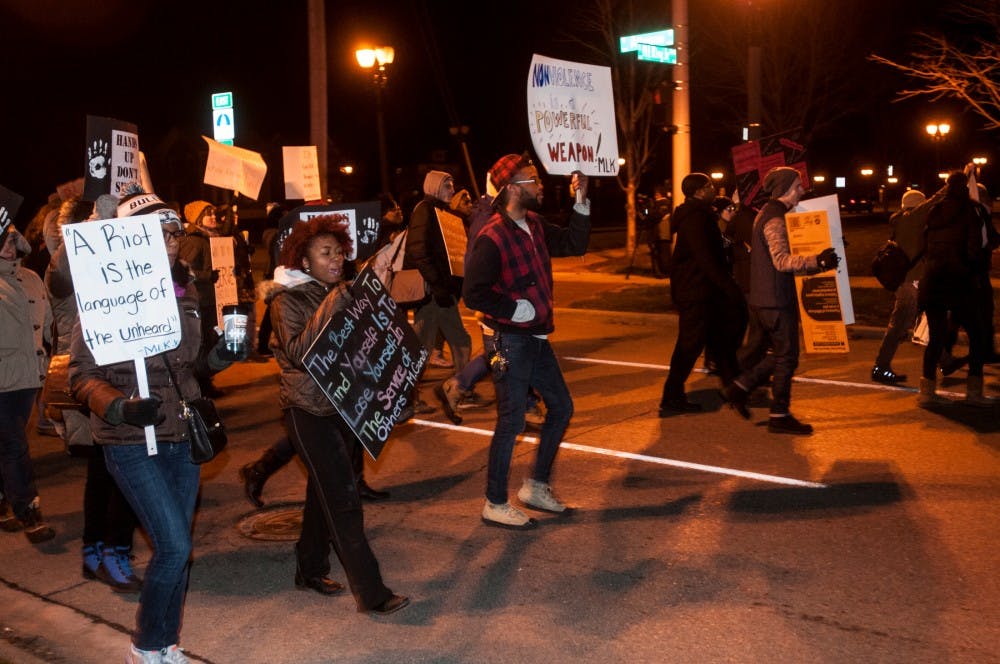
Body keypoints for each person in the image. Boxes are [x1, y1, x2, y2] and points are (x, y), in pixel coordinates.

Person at [69, 189, 244, 662]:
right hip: (129, 439)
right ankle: (144, 646)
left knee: (177, 550)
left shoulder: (186, 289)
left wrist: (223, 354)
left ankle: (167, 643)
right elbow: (81, 376)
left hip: (181, 434)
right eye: (160, 235)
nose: (172, 243)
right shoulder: (102, 295)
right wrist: (119, 407)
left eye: (174, 234)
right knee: (174, 544)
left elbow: (193, 365)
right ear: (132, 240)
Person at [266, 213, 408, 613]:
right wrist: (336, 299)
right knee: (344, 499)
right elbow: (297, 352)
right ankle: (372, 593)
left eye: (340, 253)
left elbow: (369, 343)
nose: (336, 260)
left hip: (342, 407)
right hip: (306, 409)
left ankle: (309, 568)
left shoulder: (342, 291)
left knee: (321, 494)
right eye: (325, 253)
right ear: (304, 262)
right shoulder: (285, 299)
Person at [463, 153, 591, 529]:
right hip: (508, 341)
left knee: (561, 408)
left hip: (534, 338)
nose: (540, 185)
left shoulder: (533, 224)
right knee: (512, 421)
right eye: (532, 180)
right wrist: (511, 309)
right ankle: (495, 501)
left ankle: (535, 486)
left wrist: (580, 202)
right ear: (513, 190)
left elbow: (572, 244)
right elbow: (474, 293)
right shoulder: (492, 237)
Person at [44, 193, 143, 592]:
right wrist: (96, 222)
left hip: (119, 376)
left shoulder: (108, 263)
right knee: (108, 472)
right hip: (89, 382)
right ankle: (101, 552)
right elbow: (65, 271)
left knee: (112, 470)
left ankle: (104, 549)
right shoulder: (62, 271)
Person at [720, 167, 840, 434]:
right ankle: (779, 414)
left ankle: (739, 388)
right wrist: (818, 262)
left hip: (765, 298)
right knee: (788, 357)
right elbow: (781, 261)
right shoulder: (774, 218)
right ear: (786, 188)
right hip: (774, 299)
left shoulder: (771, 214)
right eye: (798, 186)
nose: (802, 190)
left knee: (779, 354)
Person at [659, 176, 746, 413]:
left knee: (720, 341)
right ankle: (671, 397)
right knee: (689, 346)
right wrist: (729, 287)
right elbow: (704, 257)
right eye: (708, 186)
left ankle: (736, 389)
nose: (713, 189)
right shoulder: (694, 218)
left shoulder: (699, 214)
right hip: (695, 291)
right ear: (698, 191)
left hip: (704, 290)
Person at [917, 170, 994, 406]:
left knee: (937, 338)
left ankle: (927, 392)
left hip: (933, 280)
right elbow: (975, 248)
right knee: (977, 335)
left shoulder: (935, 211)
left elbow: (925, 246)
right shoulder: (971, 211)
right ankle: (974, 391)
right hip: (960, 282)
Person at [0, 225, 55, 544]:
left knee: (10, 441)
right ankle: (27, 507)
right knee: (14, 444)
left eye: (12, 240)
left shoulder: (32, 278)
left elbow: (49, 327)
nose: (9, 246)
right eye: (3, 241)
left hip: (30, 377)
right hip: (3, 378)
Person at [404, 171, 473, 375]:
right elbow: (418, 249)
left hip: (441, 292)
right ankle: (410, 398)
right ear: (434, 186)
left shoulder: (442, 212)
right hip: (431, 294)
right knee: (422, 346)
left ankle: (461, 388)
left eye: (452, 186)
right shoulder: (425, 210)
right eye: (447, 186)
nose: (452, 190)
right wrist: (437, 284)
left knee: (456, 340)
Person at [871, 188, 937, 384]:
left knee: (933, 318)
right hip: (911, 284)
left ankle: (945, 359)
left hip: (910, 282)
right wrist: (959, 178)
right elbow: (935, 198)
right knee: (899, 326)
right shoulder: (910, 219)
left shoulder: (905, 222)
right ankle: (881, 367)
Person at [178, 200, 227, 397]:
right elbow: (184, 270)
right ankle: (202, 386)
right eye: (209, 214)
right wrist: (208, 275)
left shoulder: (209, 238)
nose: (214, 217)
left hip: (210, 298)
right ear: (198, 218)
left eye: (214, 213)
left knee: (211, 340)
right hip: (201, 300)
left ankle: (205, 383)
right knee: (204, 343)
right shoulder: (194, 241)